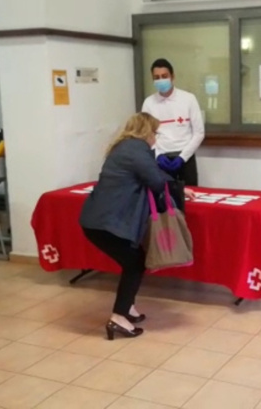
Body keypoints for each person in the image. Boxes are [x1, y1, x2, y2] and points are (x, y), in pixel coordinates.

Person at [79, 112, 196, 340]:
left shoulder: (124, 147)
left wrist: (179, 188)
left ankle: (127, 307)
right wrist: (178, 189)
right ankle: (118, 317)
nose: (156, 138)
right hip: (105, 223)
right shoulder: (136, 149)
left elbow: (153, 174)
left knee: (133, 261)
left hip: (98, 219)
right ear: (146, 132)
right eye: (155, 133)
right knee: (134, 264)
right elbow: (155, 180)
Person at [142, 58, 205, 186]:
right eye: (157, 77)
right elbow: (145, 134)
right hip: (161, 160)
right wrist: (157, 155)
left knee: (190, 195)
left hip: (185, 158)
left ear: (172, 76)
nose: (161, 80)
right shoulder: (148, 103)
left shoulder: (188, 99)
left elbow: (199, 132)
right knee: (163, 196)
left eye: (164, 76)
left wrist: (183, 157)